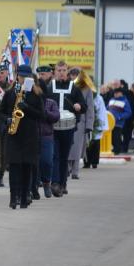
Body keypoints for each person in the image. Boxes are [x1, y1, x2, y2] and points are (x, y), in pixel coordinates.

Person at [0, 65, 44, 209]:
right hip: (14, 134)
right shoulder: (10, 92)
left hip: (30, 136)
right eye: (21, 76)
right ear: (17, 76)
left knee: (26, 168)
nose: (23, 78)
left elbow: (41, 115)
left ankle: (25, 198)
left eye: (26, 76)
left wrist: (27, 108)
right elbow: (1, 112)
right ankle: (13, 198)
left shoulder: (35, 93)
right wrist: (7, 120)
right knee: (14, 168)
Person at [47, 60, 87, 197]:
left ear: (67, 72)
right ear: (55, 72)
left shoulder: (74, 88)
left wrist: (79, 106)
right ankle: (55, 183)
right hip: (53, 126)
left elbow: (84, 105)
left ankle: (63, 184)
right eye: (59, 70)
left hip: (69, 127)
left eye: (64, 70)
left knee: (64, 156)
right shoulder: (49, 87)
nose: (61, 73)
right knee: (55, 155)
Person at [67, 69, 95, 180]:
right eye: (72, 75)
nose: (74, 77)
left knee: (78, 148)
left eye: (76, 75)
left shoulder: (86, 89)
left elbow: (90, 108)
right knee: (68, 146)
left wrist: (89, 124)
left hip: (81, 122)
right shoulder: (67, 86)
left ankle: (75, 171)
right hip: (67, 119)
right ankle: (67, 168)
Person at [37, 78, 60, 198]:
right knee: (34, 162)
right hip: (33, 136)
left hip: (47, 136)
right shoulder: (31, 101)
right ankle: (34, 186)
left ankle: (46, 182)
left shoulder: (51, 102)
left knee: (47, 161)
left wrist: (45, 112)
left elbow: (56, 116)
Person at [85, 91, 109, 169]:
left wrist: (101, 124)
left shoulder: (98, 98)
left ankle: (94, 162)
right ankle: (87, 162)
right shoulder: (84, 95)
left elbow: (101, 111)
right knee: (87, 143)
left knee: (95, 143)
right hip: (87, 121)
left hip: (97, 122)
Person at [108, 87, 132, 155]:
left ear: (121, 93)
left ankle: (117, 150)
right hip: (110, 123)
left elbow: (128, 112)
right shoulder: (111, 100)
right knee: (111, 137)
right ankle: (116, 149)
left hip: (118, 123)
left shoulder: (125, 101)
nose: (115, 94)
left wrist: (119, 117)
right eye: (114, 93)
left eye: (117, 93)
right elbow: (107, 109)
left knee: (116, 137)